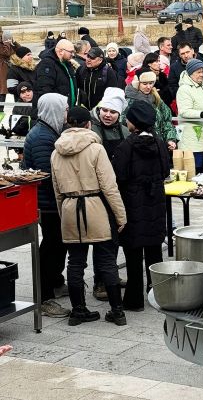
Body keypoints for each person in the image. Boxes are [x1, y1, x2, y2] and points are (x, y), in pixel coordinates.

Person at [51, 106, 128, 326]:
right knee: (106, 260)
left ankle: (78, 311)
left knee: (75, 262)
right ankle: (117, 311)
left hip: (69, 207)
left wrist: (62, 214)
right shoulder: (96, 150)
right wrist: (120, 216)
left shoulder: (56, 152)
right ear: (88, 124)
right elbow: (109, 186)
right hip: (95, 206)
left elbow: (57, 190)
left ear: (68, 124)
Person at [112, 101, 170, 311]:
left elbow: (119, 176)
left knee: (133, 253)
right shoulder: (159, 142)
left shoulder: (125, 146)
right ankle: (158, 295)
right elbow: (165, 171)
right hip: (155, 202)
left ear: (134, 123)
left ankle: (134, 300)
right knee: (155, 251)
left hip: (132, 203)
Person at [23, 93, 71, 318]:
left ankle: (55, 282)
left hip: (51, 201)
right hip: (48, 202)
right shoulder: (43, 136)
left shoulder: (49, 130)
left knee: (58, 244)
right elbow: (48, 174)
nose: (66, 113)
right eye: (64, 109)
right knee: (51, 246)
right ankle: (44, 298)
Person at [177, 59, 203, 174]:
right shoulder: (184, 89)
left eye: (202, 71)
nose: (201, 74)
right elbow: (184, 111)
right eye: (198, 72)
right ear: (190, 73)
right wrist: (201, 114)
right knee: (196, 169)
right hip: (194, 136)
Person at [124, 71, 178, 151]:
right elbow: (124, 123)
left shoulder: (156, 98)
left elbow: (166, 122)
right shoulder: (130, 101)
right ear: (137, 84)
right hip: (139, 147)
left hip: (159, 145)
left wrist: (170, 139)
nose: (148, 87)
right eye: (145, 84)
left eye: (151, 83)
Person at [33, 40, 77, 117]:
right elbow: (45, 90)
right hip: (55, 112)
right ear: (61, 51)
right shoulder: (47, 64)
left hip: (67, 110)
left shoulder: (66, 63)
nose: (73, 55)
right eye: (71, 52)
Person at [91, 87, 130, 159]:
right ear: (99, 110)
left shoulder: (126, 132)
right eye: (105, 110)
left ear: (119, 114)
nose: (108, 115)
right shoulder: (91, 130)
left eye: (113, 112)